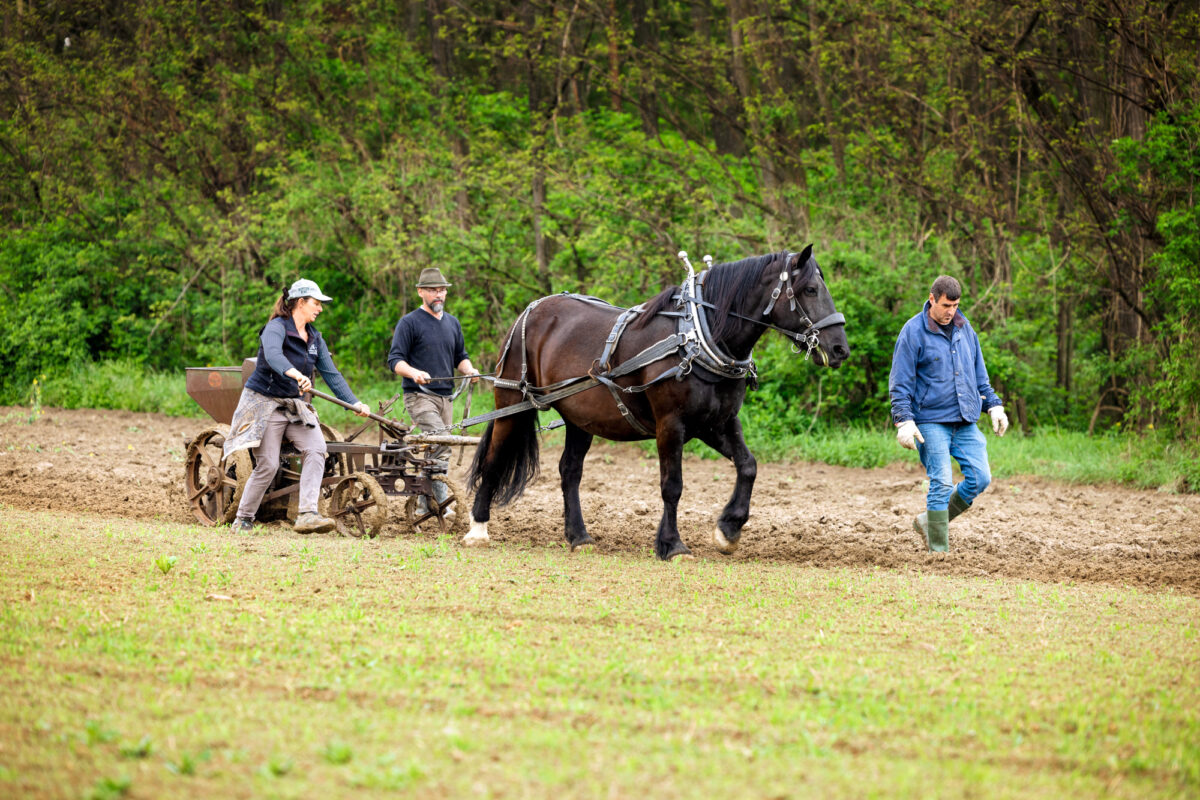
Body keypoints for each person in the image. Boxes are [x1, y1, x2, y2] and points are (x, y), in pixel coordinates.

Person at [225, 279, 370, 534]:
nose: (320, 309)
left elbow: (332, 374)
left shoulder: (315, 338)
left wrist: (354, 402)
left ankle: (306, 514)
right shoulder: (276, 327)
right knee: (268, 464)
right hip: (265, 404)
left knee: (317, 450)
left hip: (293, 406)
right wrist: (293, 373)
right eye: (316, 303)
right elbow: (272, 355)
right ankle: (243, 517)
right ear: (300, 303)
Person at [888, 275, 1009, 552]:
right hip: (930, 420)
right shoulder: (912, 332)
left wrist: (993, 404)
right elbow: (900, 382)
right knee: (941, 483)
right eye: (945, 305)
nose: (950, 312)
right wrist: (904, 421)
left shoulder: (965, 329)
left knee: (981, 478)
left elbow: (979, 375)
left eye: (955, 305)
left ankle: (928, 522)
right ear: (932, 299)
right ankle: (939, 553)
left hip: (965, 419)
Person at [386, 267, 479, 510]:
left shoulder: (452, 323)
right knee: (442, 443)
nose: (438, 294)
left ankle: (422, 504)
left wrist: (469, 371)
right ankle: (442, 504)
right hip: (419, 397)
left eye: (442, 290)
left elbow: (461, 356)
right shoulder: (409, 323)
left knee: (437, 449)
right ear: (420, 292)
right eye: (432, 290)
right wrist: (414, 373)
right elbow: (395, 361)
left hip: (446, 398)